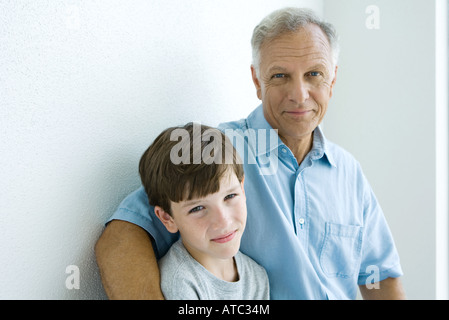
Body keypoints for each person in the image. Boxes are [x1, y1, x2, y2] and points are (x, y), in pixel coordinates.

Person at [95, 7, 405, 300]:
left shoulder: (349, 172)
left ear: (332, 79)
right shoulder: (219, 152)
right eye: (280, 76)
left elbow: (380, 277)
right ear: (257, 81)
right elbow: (124, 233)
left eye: (314, 74)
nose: (299, 95)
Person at [138, 123, 269, 299]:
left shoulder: (257, 277)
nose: (223, 221)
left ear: (242, 189)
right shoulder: (180, 282)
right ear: (168, 218)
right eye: (198, 208)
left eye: (229, 196)